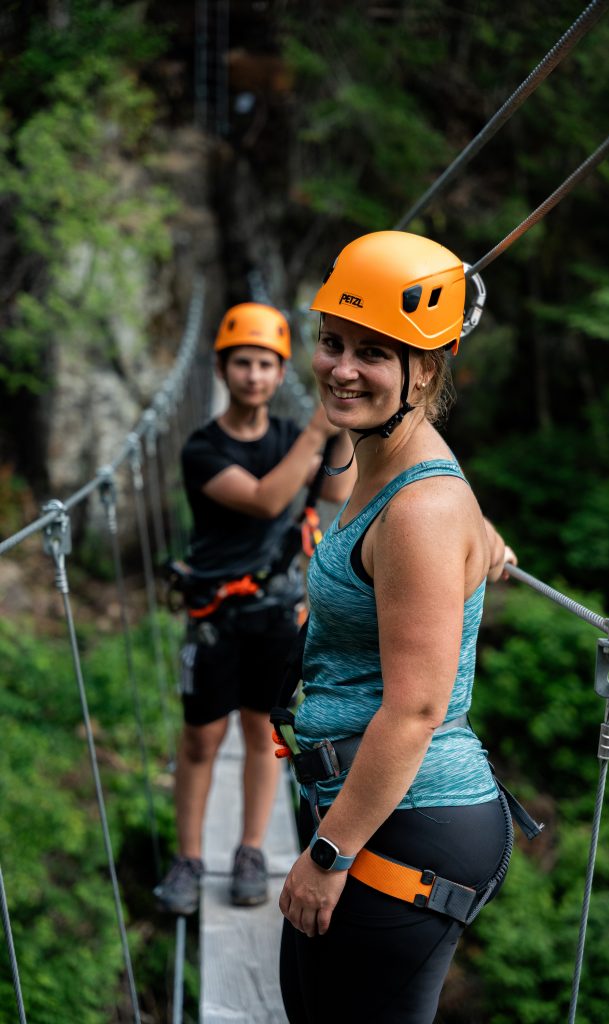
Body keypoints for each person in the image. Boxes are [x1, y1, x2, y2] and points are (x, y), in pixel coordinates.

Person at [276, 232, 520, 1023]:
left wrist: (327, 853)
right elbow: (450, 530)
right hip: (377, 811)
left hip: (406, 825)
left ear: (427, 370)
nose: (341, 368)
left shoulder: (419, 506)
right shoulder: (388, 464)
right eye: (332, 342)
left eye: (373, 353)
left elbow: (415, 709)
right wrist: (478, 539)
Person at [154, 301, 352, 915]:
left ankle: (247, 851)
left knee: (264, 733)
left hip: (275, 612)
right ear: (222, 368)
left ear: (278, 370)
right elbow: (268, 501)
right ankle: (189, 857)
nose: (255, 376)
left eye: (268, 364)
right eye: (243, 363)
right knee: (200, 739)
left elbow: (338, 490)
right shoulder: (202, 448)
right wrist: (322, 428)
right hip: (215, 617)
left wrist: (340, 423)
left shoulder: (294, 438)